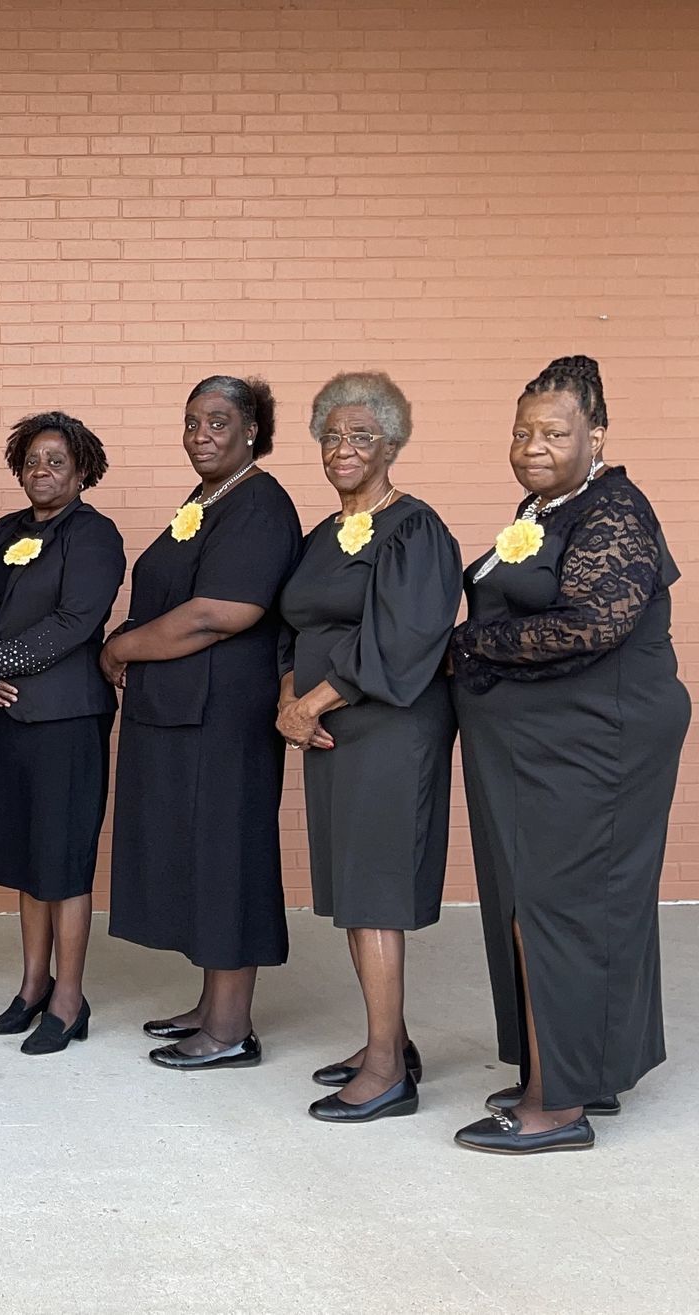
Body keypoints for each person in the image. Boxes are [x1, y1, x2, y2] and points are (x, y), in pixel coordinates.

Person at [448, 356, 688, 1154]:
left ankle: (556, 1107)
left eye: (555, 431)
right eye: (523, 431)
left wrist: (472, 644)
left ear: (598, 435)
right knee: (549, 899)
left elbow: (594, 622)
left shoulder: (614, 507)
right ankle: (579, 1069)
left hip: (596, 742)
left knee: (560, 903)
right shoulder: (547, 507)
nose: (533, 444)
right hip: (540, 744)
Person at [275, 372, 462, 1122]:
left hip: (388, 728)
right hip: (327, 729)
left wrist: (313, 700)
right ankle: (391, 1039)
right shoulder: (324, 535)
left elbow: (408, 636)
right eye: (330, 435)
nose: (342, 448)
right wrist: (291, 697)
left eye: (360, 435)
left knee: (377, 890)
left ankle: (387, 1073)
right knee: (355, 889)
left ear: (392, 443)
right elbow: (292, 625)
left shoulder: (416, 528)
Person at [102, 375, 302, 1069]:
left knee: (227, 857)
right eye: (191, 422)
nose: (201, 434)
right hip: (182, 714)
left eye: (218, 421)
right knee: (196, 854)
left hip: (226, 719)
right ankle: (211, 1001)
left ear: (252, 428)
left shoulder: (260, 503)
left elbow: (222, 611)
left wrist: (122, 645)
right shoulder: (205, 499)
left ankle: (230, 1028)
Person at [0, 412, 123, 1057]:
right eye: (32, 460)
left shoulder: (94, 535)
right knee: (28, 861)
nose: (42, 471)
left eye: (57, 461)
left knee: (63, 864)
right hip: (7, 720)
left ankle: (69, 997)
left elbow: (75, 622)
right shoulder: (5, 530)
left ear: (82, 469)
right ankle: (32, 986)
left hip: (66, 721)